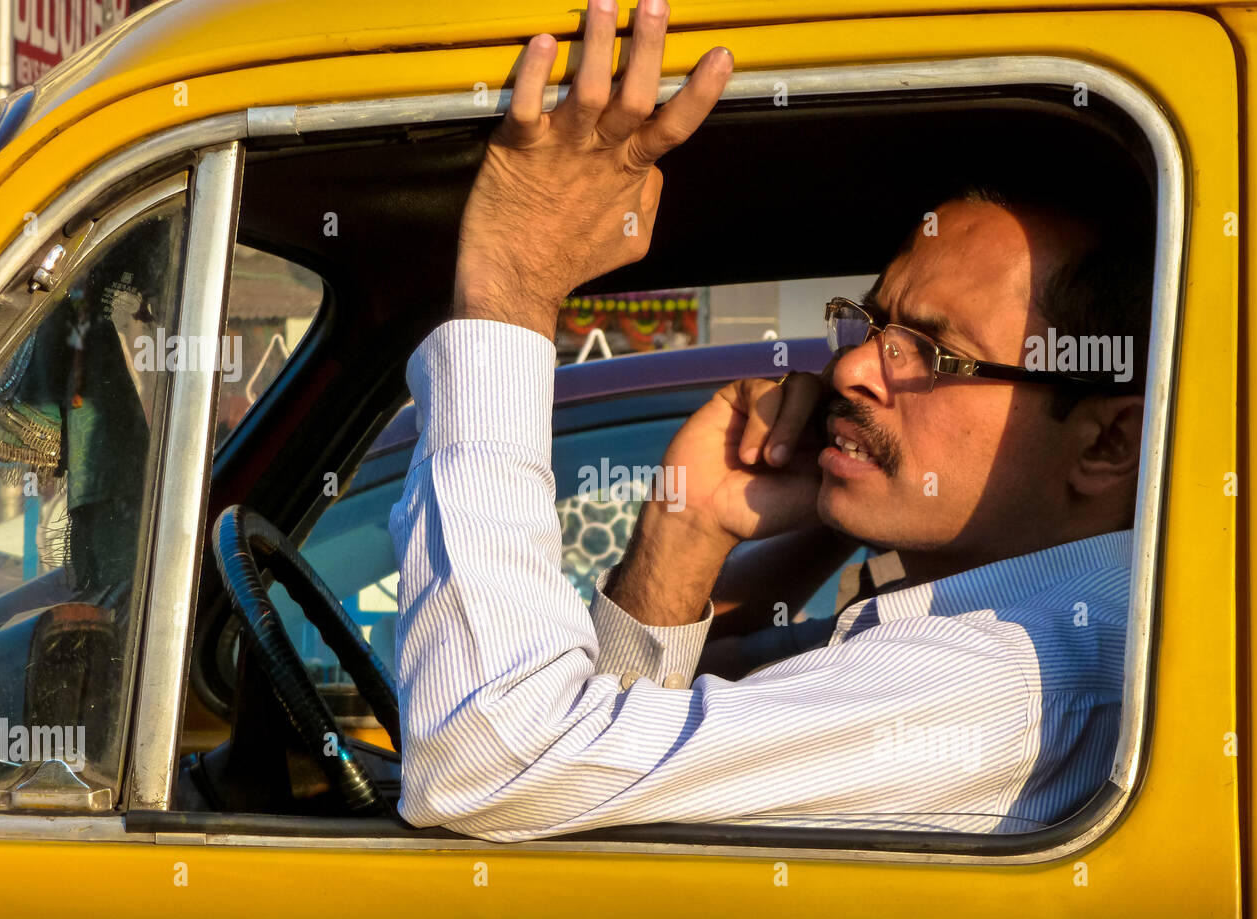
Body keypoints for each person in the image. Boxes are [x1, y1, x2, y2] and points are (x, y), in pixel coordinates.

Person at [387, 0, 1149, 842]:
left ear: (1107, 442)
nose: (853, 367)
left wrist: (509, 283)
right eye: (870, 324)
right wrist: (688, 532)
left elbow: (492, 768)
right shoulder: (1003, 636)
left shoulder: (1006, 682)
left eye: (930, 351)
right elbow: (625, 766)